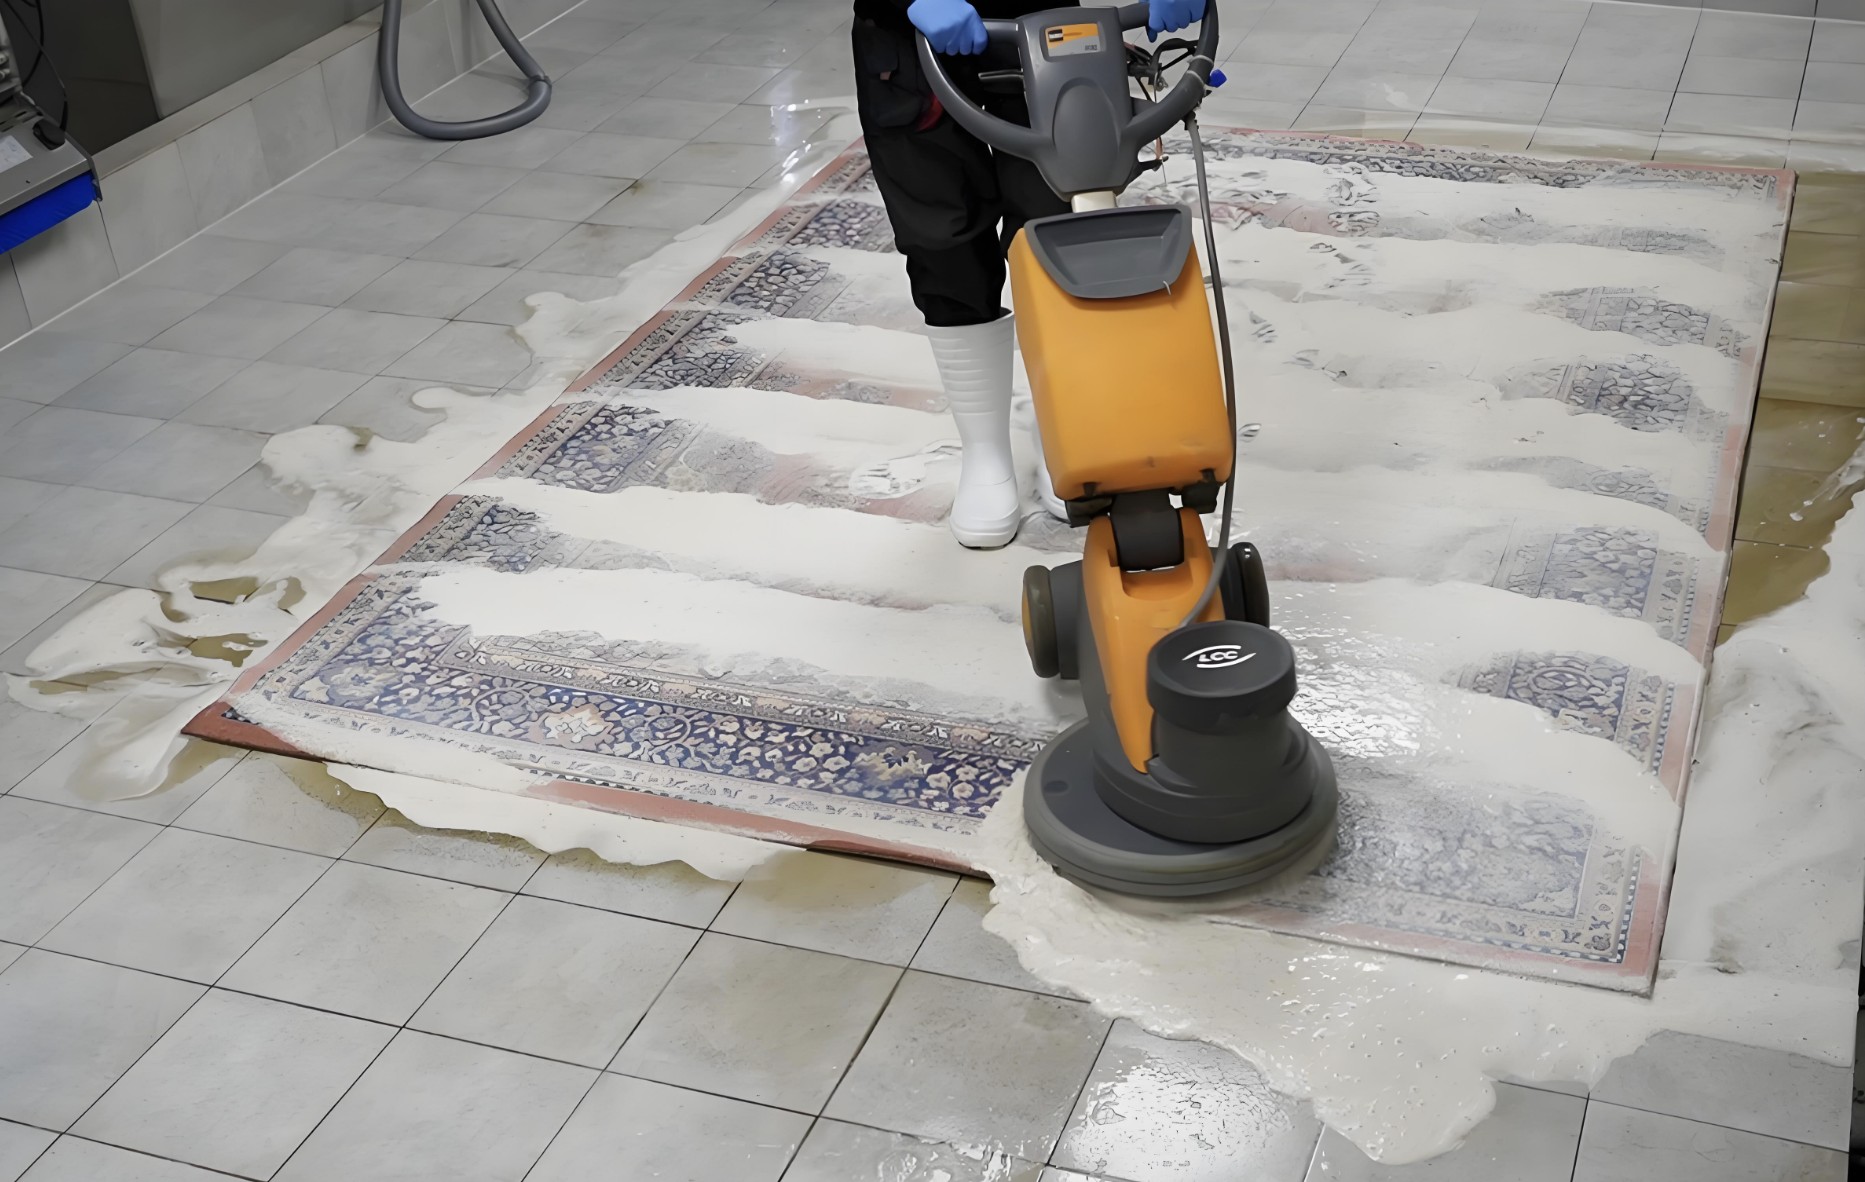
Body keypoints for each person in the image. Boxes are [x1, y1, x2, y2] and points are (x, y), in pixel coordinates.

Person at [852, 0, 1207, 548]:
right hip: (910, 44)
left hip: (1047, 31)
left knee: (1058, 227)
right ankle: (985, 454)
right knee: (943, 246)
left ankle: (1063, 429)